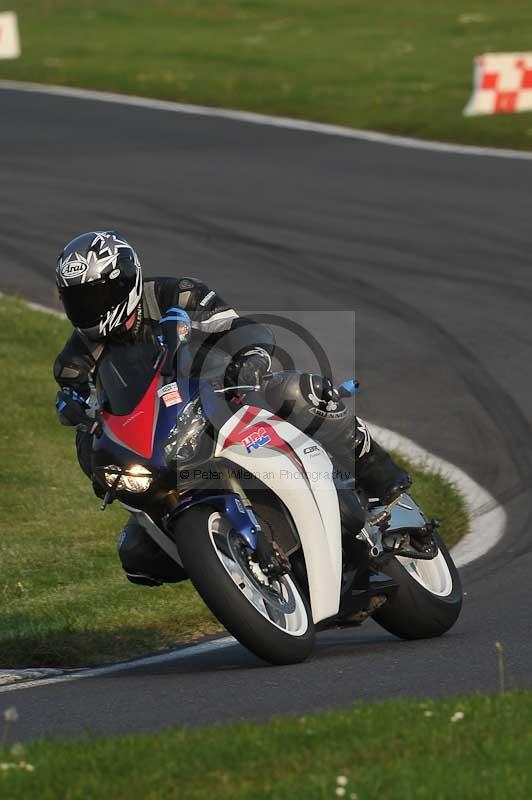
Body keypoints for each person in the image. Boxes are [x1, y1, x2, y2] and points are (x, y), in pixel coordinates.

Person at [54, 231, 410, 586]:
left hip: (226, 397)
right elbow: (85, 418)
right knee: (135, 553)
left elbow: (237, 328)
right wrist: (93, 456)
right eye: (78, 300)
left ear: (127, 281)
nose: (89, 309)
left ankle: (380, 483)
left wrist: (249, 358)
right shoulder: (77, 357)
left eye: (96, 295)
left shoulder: (176, 293)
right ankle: (235, 567)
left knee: (297, 391)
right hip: (166, 440)